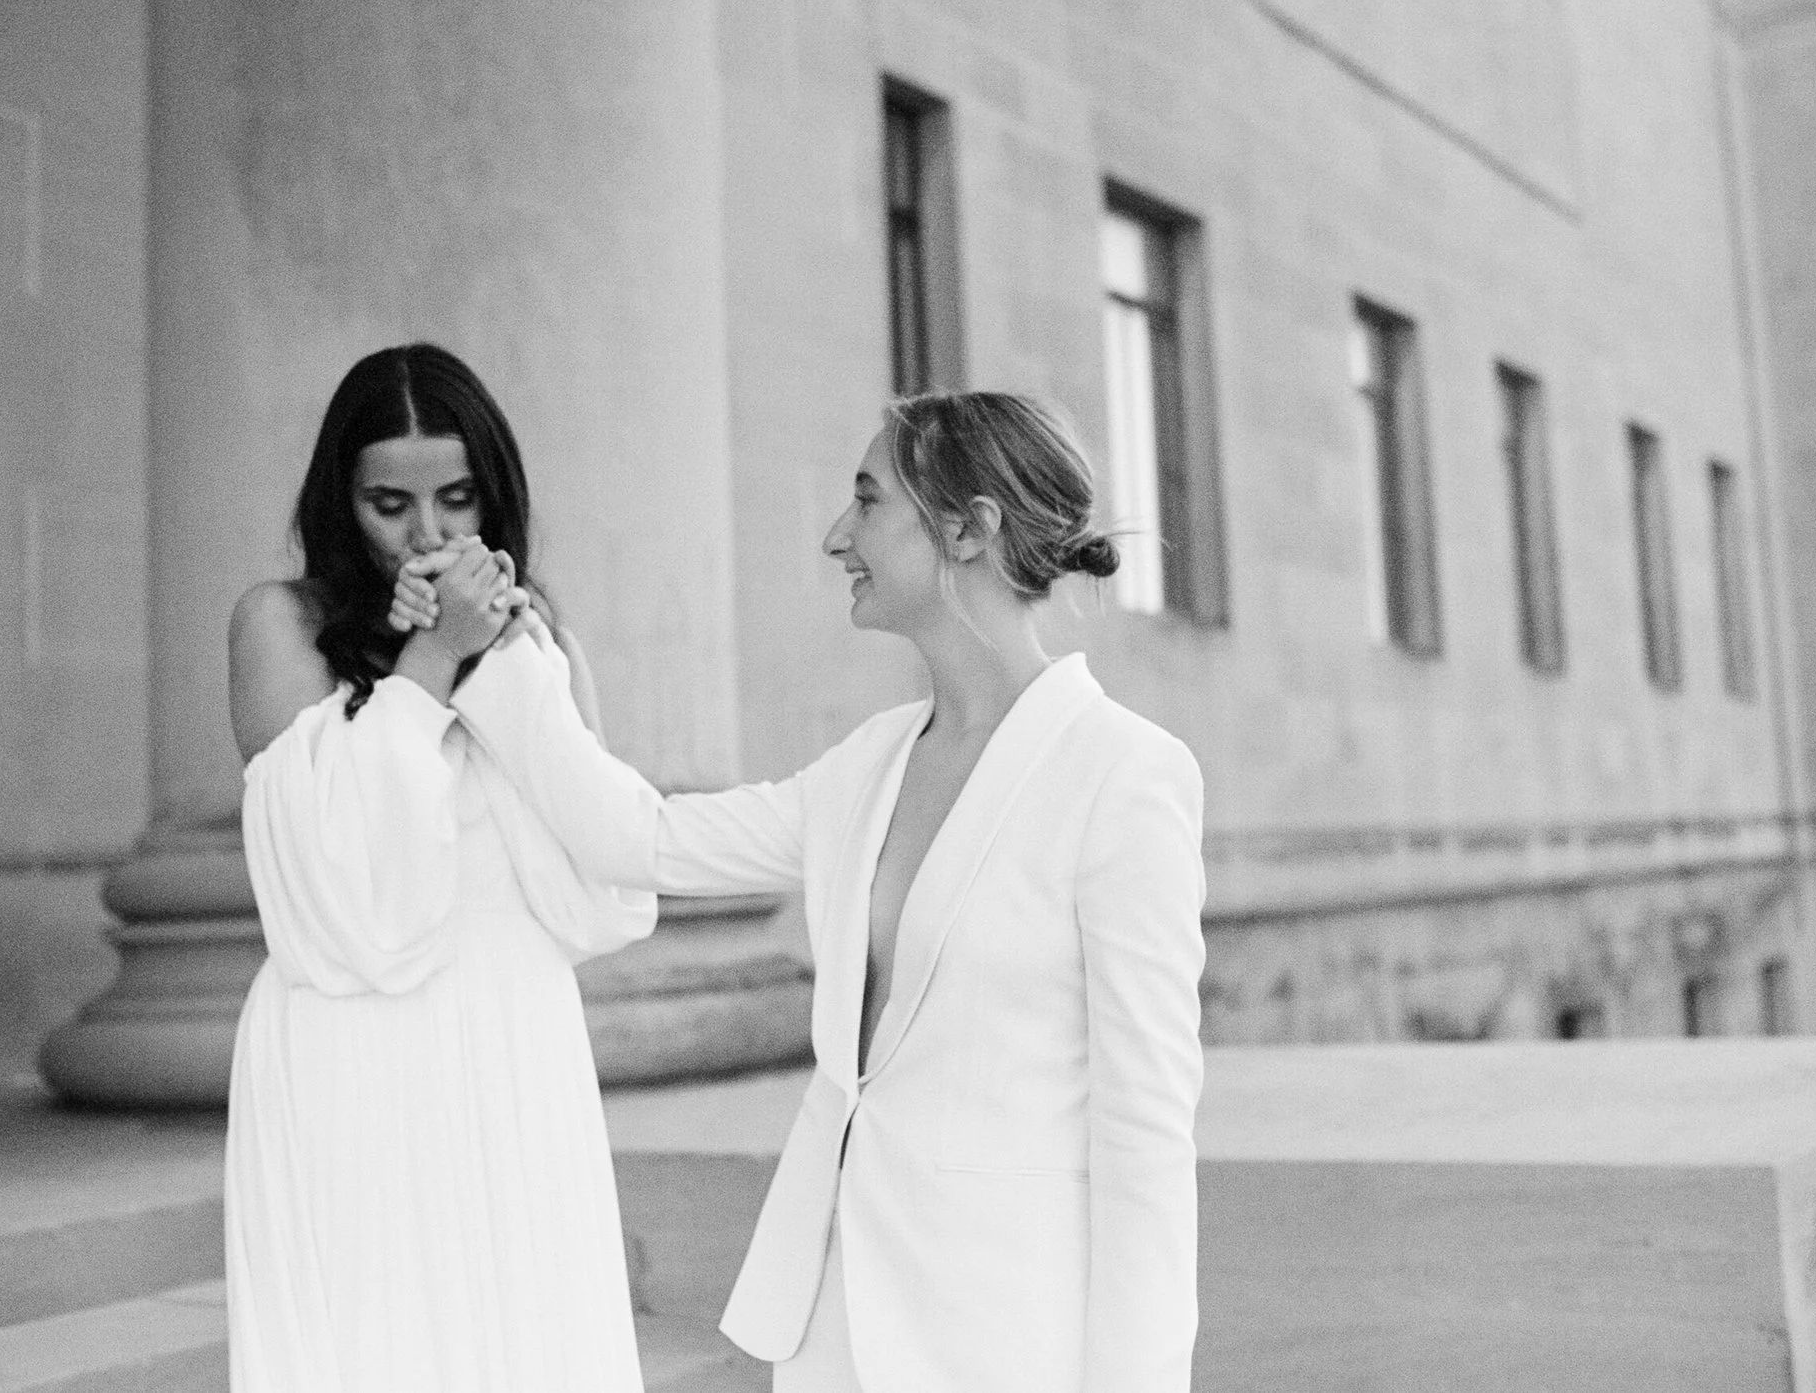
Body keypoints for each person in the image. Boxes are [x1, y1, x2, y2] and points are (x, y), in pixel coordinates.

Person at [475, 390, 1207, 1393]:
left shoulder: (1122, 774)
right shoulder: (867, 765)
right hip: (835, 1316)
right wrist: (506, 656)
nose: (835, 534)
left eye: (866, 501)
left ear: (968, 526)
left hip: (1008, 1330)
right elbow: (636, 837)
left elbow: (1146, 1127)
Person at [222, 343, 655, 1393]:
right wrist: (426, 663)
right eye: (389, 503)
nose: (427, 534)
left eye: (457, 500)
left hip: (514, 1032)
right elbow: (336, 888)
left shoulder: (541, 634)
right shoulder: (280, 623)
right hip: (355, 1040)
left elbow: (606, 867)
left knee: (529, 1332)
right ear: (343, 499)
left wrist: (514, 661)